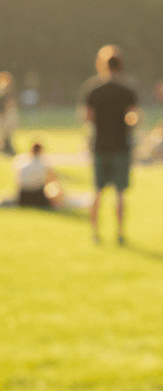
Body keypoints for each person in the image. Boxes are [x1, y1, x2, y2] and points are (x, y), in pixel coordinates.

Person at [77, 45, 139, 245]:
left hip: (100, 145)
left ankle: (95, 233)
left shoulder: (93, 89)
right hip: (121, 146)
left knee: (97, 191)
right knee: (120, 193)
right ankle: (120, 233)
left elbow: (86, 117)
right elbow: (134, 118)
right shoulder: (126, 90)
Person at [8, 141, 63, 208]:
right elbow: (53, 180)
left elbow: (17, 181)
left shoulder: (21, 160)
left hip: (22, 196)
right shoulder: (44, 162)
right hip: (38, 196)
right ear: (41, 150)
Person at [0, 71, 17, 156]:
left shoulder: (8, 90)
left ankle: (7, 147)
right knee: (4, 131)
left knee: (8, 131)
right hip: (3, 113)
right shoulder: (3, 90)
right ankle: (5, 147)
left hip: (7, 112)